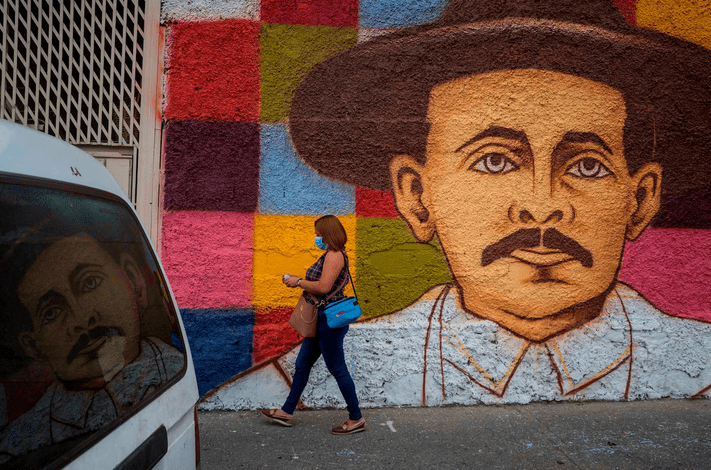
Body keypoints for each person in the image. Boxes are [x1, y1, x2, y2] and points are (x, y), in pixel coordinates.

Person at [204, 0, 711, 407]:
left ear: (640, 201)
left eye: (585, 166)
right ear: (417, 197)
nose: (540, 207)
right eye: (494, 161)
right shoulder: (299, 380)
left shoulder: (699, 372)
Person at [0, 228, 184, 462]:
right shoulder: (20, 446)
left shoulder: (175, 373)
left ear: (136, 283)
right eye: (52, 312)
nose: (82, 319)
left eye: (90, 282)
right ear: (35, 347)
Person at [260, 215, 364, 434]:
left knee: (337, 368)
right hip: (321, 320)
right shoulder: (329, 255)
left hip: (329, 321)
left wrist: (297, 281)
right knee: (303, 364)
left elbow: (324, 287)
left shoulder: (335, 256)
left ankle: (356, 418)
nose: (317, 237)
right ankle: (287, 411)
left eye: (319, 233)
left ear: (328, 233)